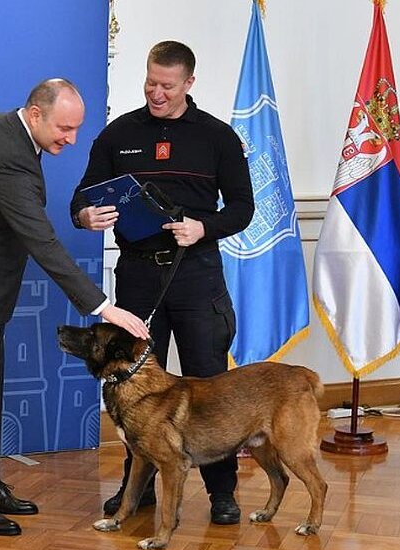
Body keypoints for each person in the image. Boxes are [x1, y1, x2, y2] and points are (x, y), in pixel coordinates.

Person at [0, 78, 149, 537]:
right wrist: (102, 307)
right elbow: (41, 240)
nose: (72, 139)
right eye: (65, 128)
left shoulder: (2, 128)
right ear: (36, 113)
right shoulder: (7, 155)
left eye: (77, 128)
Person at [70, 41, 254, 524]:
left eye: (167, 86)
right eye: (151, 82)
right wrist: (85, 215)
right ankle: (138, 490)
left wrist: (203, 227)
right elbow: (81, 198)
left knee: (209, 385)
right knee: (134, 381)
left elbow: (242, 208)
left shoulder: (217, 137)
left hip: (196, 274)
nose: (156, 93)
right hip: (137, 276)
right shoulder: (118, 134)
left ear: (189, 83)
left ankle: (222, 493)